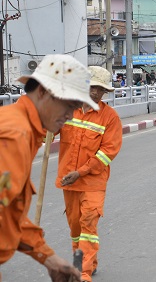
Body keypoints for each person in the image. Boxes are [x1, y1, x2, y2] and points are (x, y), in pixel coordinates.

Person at [0, 54, 98, 282]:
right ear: (42, 92)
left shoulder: (19, 126)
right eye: (68, 105)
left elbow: (7, 209)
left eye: (76, 107)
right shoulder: (16, 134)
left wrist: (49, 259)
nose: (71, 115)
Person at [56, 66, 123, 282]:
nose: (96, 93)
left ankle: (82, 272)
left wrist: (82, 171)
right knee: (75, 228)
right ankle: (88, 262)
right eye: (93, 87)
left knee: (88, 225)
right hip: (69, 181)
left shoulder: (109, 117)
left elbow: (108, 152)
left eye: (101, 90)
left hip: (93, 181)